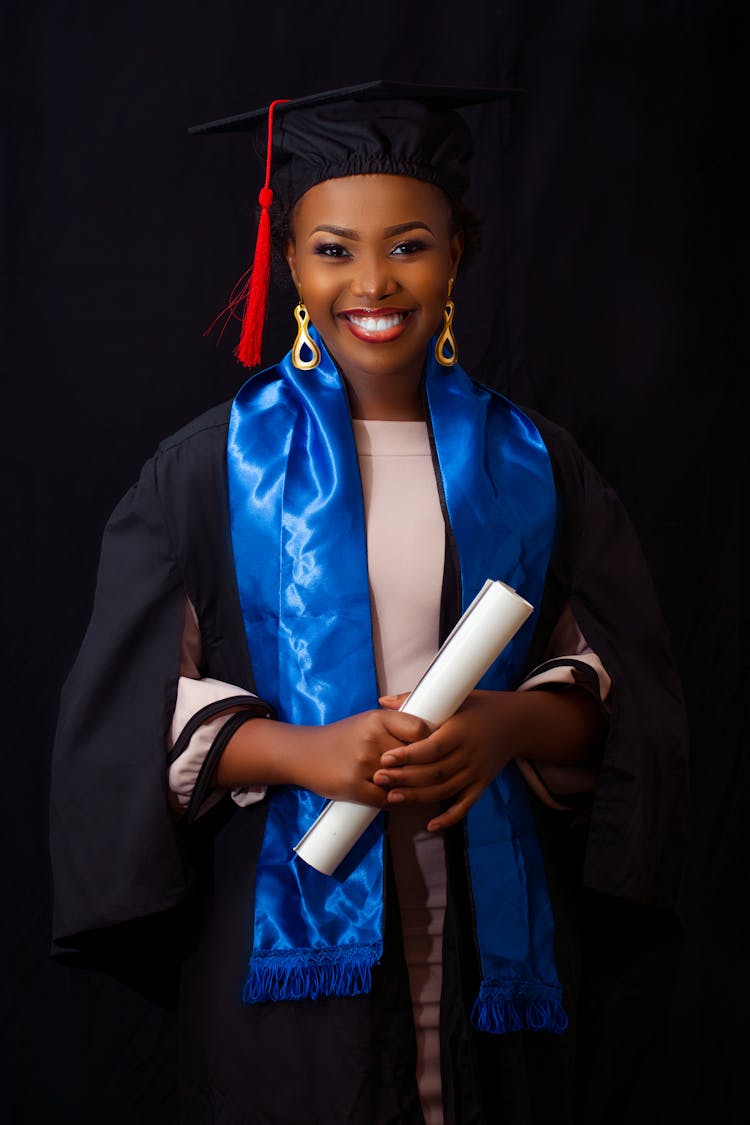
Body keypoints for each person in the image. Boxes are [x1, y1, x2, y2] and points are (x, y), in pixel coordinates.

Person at [49, 82, 689, 1125]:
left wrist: (510, 722)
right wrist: (297, 753)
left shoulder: (536, 464)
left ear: (456, 255)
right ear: (290, 263)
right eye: (335, 249)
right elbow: (121, 719)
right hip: (284, 950)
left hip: (495, 943)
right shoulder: (207, 473)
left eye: (411, 245)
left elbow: (631, 694)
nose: (374, 280)